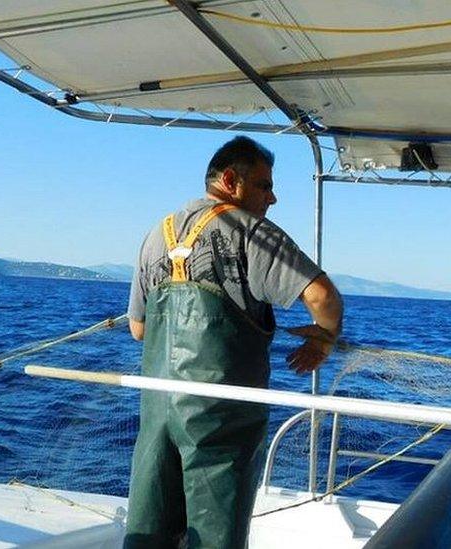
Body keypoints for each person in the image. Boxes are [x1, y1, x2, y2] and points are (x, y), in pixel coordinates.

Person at [124, 135, 343, 548]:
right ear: (230, 180)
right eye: (264, 185)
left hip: (157, 416)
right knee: (216, 534)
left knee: (149, 532)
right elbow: (323, 298)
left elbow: (139, 329)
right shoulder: (251, 232)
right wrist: (325, 339)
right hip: (220, 420)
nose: (272, 198)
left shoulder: (158, 233)